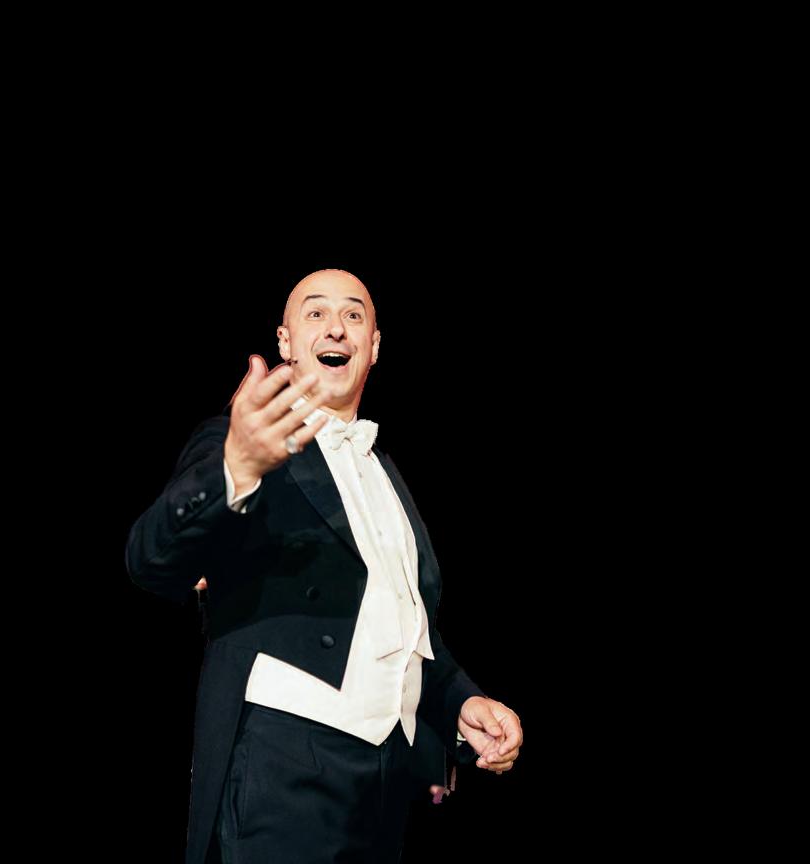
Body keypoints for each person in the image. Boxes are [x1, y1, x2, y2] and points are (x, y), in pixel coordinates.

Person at [126, 269, 523, 864]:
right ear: (285, 341)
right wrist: (236, 466)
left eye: (353, 315)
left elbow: (403, 630)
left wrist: (462, 703)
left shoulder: (386, 474)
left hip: (388, 783)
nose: (336, 327)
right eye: (315, 313)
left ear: (374, 346)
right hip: (283, 767)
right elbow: (151, 560)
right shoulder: (233, 443)